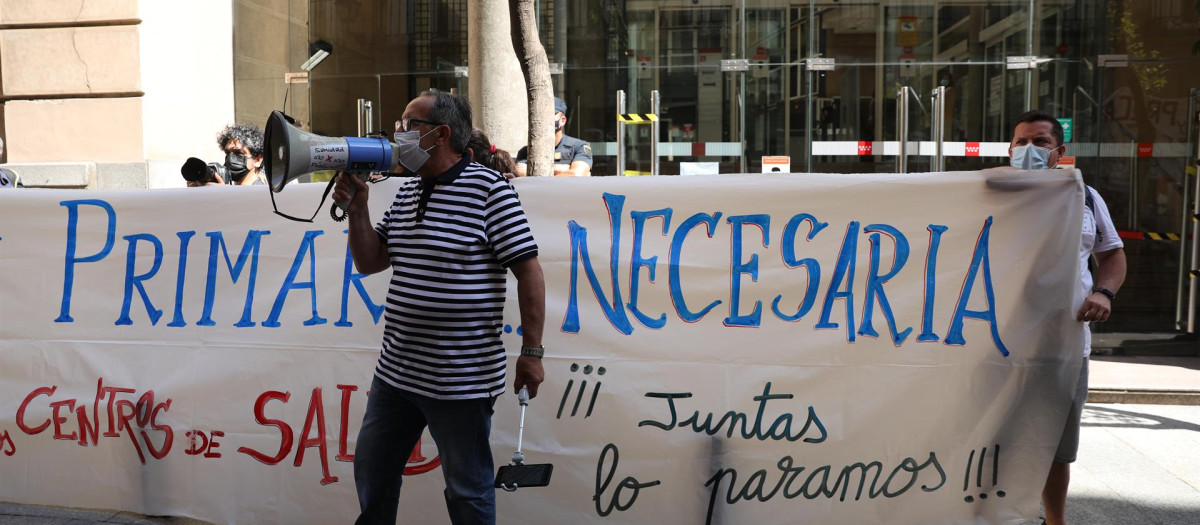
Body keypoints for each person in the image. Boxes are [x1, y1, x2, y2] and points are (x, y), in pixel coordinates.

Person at [332, 90, 546, 525]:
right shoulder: (408, 192)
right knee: (373, 473)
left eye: (409, 125)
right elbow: (371, 261)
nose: (398, 133)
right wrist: (358, 210)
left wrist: (532, 351)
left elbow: (529, 273)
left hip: (460, 380)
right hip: (397, 373)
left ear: (440, 134)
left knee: (468, 491)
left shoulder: (491, 192)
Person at [1004, 110, 1126, 525]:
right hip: (998, 341)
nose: (1029, 150)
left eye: (1039, 142)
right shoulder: (989, 193)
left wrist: (1104, 292)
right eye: (1021, 142)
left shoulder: (1086, 197)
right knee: (993, 436)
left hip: (1065, 344)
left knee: (1056, 444)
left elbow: (1111, 255)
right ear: (1008, 150)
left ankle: (1054, 521)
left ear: (1060, 151)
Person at [514, 97, 592, 177]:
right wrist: (561, 169)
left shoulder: (579, 146)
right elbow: (521, 173)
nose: (543, 119)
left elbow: (576, 174)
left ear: (562, 120)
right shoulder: (527, 151)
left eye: (549, 115)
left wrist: (536, 171)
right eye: (540, 115)